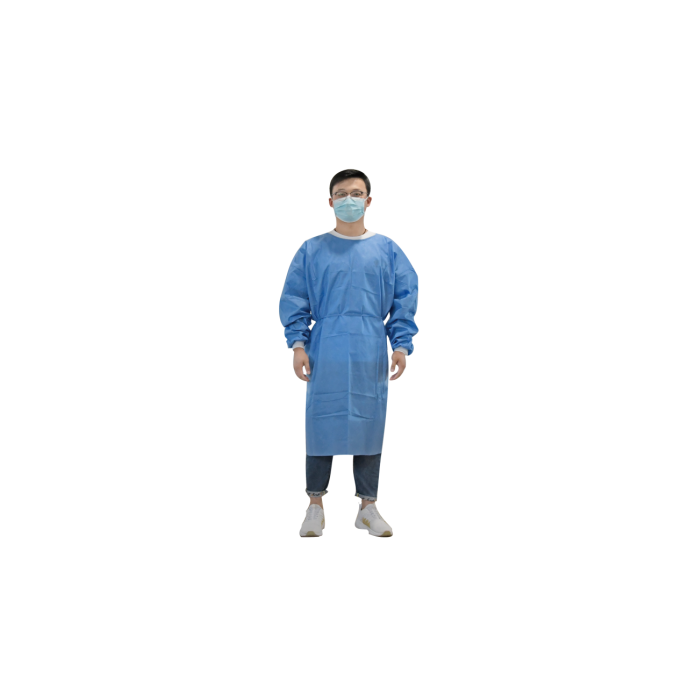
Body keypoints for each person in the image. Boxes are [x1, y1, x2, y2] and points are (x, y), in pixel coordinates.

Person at [279, 169, 419, 538]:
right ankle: (315, 505)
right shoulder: (312, 250)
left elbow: (404, 298)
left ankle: (367, 507)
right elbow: (295, 298)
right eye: (341, 193)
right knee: (320, 421)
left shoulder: (387, 249)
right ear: (330, 201)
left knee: (369, 422)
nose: (349, 200)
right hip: (325, 346)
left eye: (356, 193)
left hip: (370, 346)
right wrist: (298, 345)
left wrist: (400, 344)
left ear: (369, 200)